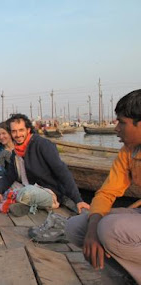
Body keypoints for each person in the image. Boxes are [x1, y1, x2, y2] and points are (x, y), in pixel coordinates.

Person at [65, 90, 141, 284]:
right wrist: (92, 229)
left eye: (122, 123)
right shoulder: (129, 152)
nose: (116, 129)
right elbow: (107, 192)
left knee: (109, 229)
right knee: (76, 227)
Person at [0, 113, 89, 217]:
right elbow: (8, 176)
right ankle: (25, 205)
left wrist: (78, 200)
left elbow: (62, 171)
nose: (18, 134)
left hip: (48, 192)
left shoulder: (42, 145)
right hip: (27, 186)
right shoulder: (16, 152)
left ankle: (24, 203)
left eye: (21, 130)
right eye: (14, 131)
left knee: (26, 193)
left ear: (28, 130)